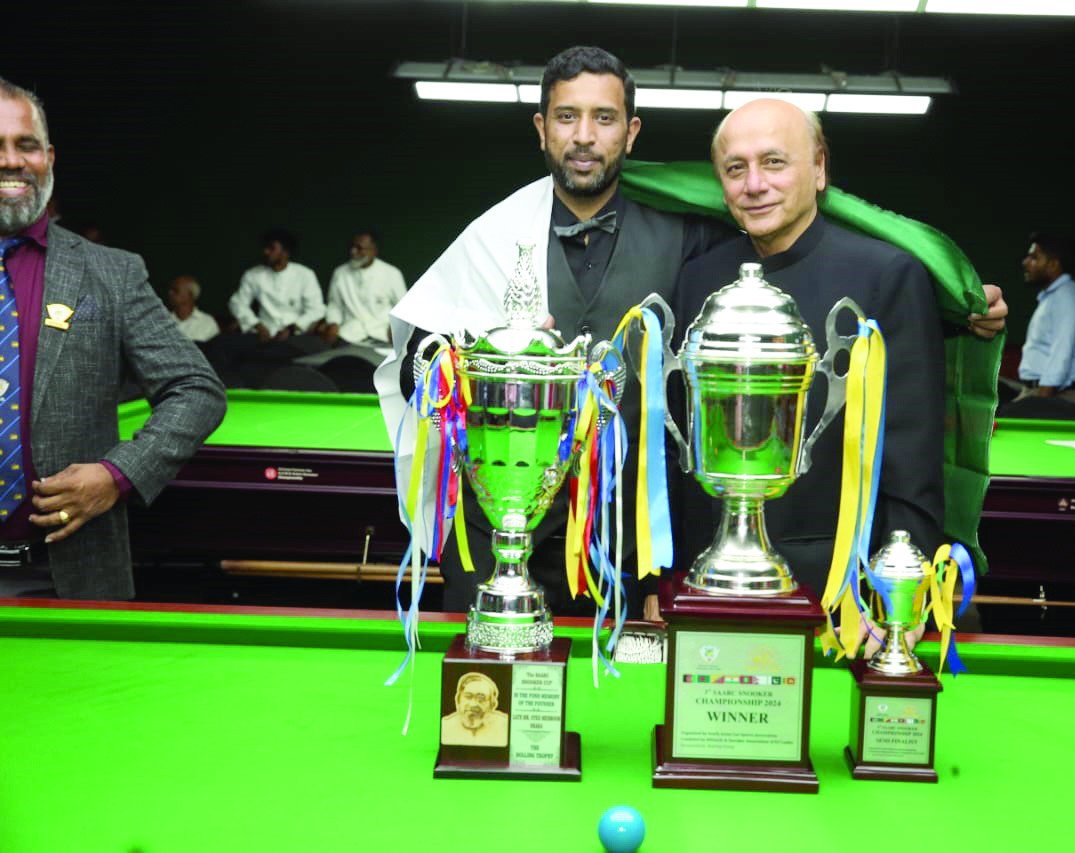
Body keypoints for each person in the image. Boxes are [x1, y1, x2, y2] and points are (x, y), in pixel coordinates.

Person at [376, 46, 733, 621]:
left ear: (631, 132)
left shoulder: (690, 237)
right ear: (542, 129)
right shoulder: (494, 233)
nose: (584, 136)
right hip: (492, 528)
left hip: (629, 535)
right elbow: (416, 358)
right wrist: (474, 352)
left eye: (604, 117)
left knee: (612, 701)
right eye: (567, 117)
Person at [674, 98, 948, 597]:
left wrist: (900, 591)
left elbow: (913, 457)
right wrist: (662, 579)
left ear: (819, 168)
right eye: (736, 168)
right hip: (706, 578)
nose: (754, 185)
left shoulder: (887, 276)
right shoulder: (698, 279)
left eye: (774, 162)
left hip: (839, 587)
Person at [0, 78, 225, 599]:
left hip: (68, 575)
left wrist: (116, 474)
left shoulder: (110, 275)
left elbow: (196, 389)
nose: (11, 161)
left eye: (25, 144)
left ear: (49, 157)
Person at [1007, 232, 1075, 410]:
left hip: (1056, 396)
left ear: (1053, 265)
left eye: (1034, 257)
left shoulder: (1067, 297)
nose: (1025, 262)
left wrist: (1041, 401)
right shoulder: (1054, 297)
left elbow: (1062, 350)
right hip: (1037, 391)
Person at [228, 228, 325, 344]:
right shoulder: (253, 274)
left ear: (286, 252)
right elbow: (237, 303)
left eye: (271, 248)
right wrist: (257, 325)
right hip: (263, 334)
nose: (266, 252)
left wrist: (293, 328)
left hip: (295, 335)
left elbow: (317, 309)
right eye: (265, 248)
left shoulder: (305, 274)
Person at [314, 230, 406, 347]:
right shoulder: (340, 273)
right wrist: (333, 323)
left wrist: (395, 328)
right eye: (352, 247)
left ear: (373, 250)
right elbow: (335, 305)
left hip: (382, 333)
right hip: (350, 333)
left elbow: (403, 308)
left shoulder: (392, 273)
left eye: (359, 248)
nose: (353, 252)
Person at [439, 672, 509, 747]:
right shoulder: (445, 726)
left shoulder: (505, 726)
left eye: (481, 698)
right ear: (458, 700)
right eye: (468, 696)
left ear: (492, 705)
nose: (473, 704)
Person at [167, 274, 220, 343]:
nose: (170, 293)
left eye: (175, 290)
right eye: (170, 289)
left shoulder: (207, 323)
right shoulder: (162, 322)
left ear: (190, 295)